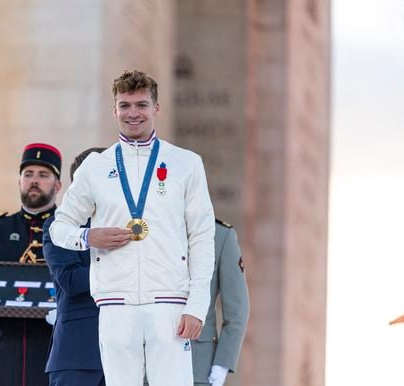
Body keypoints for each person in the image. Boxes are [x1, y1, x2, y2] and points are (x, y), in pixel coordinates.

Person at [49, 69, 215, 386]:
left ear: (156, 108)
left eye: (141, 105)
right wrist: (87, 236)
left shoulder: (185, 163)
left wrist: (196, 307)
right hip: (114, 301)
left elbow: (202, 237)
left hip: (169, 302)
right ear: (114, 110)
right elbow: (60, 227)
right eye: (125, 106)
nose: (133, 113)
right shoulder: (95, 167)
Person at [0, 143, 62, 386]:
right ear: (19, 182)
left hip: (53, 352)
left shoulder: (71, 231)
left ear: (57, 185)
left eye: (43, 175)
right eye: (28, 175)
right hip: (3, 353)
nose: (34, 181)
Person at [42, 147, 107, 386]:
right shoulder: (59, 225)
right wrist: (123, 272)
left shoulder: (132, 226)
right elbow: (71, 280)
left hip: (128, 352)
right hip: (78, 354)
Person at [192, 219, 250, 386]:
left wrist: (222, 363)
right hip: (147, 362)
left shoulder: (222, 235)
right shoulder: (152, 227)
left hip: (197, 366)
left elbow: (237, 308)